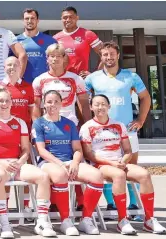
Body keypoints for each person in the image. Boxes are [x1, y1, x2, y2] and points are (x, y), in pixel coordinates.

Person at [81, 94, 165, 235]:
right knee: (119, 175)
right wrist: (112, 163)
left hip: (119, 162)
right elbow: (89, 155)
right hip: (100, 164)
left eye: (103, 104)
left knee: (144, 174)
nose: (100, 107)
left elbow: (128, 150)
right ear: (91, 107)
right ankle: (122, 220)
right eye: (96, 104)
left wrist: (123, 161)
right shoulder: (87, 127)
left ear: (109, 106)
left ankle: (149, 220)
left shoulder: (118, 125)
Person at [85, 41, 151, 218]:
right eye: (105, 54)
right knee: (106, 168)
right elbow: (82, 99)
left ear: (118, 55)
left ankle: (134, 206)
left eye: (112, 54)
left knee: (130, 168)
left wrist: (141, 120)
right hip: (102, 133)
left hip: (127, 132)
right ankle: (111, 205)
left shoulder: (131, 77)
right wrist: (86, 121)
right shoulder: (93, 78)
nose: (109, 57)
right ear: (101, 57)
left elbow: (145, 98)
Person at [0, 88, 56, 238]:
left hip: (16, 164)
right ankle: (5, 223)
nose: (4, 103)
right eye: (0, 100)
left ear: (11, 103)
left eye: (7, 100)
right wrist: (1, 162)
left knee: (43, 177)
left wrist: (20, 162)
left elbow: (26, 149)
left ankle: (42, 221)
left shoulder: (20, 122)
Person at [31, 90, 104, 236]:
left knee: (97, 176)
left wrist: (75, 163)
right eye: (49, 102)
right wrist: (60, 163)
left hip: (70, 162)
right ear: (44, 104)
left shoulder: (69, 124)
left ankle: (86, 219)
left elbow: (77, 149)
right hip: (48, 162)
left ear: (62, 103)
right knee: (60, 175)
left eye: (56, 101)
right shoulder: (38, 123)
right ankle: (65, 220)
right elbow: (41, 150)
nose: (52, 105)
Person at [0, 57, 36, 213]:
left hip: (23, 136)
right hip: (4, 136)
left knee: (23, 168)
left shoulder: (28, 87)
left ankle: (25, 207)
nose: (12, 67)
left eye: (15, 64)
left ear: (21, 66)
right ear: (4, 67)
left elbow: (33, 112)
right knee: (6, 170)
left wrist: (33, 132)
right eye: (8, 64)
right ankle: (6, 205)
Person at [32, 44, 90, 125]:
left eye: (58, 56)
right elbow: (36, 106)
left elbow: (84, 104)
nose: (55, 59)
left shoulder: (76, 79)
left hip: (70, 125)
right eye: (52, 56)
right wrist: (36, 127)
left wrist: (87, 125)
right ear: (47, 58)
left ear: (64, 58)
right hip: (48, 125)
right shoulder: (39, 80)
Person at [53, 6, 103, 78]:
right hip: (62, 80)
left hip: (81, 80)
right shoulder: (55, 38)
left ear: (77, 18)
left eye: (71, 17)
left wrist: (95, 75)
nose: (68, 20)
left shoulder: (88, 34)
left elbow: (104, 54)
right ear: (61, 19)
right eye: (65, 17)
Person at [16, 8, 57, 83]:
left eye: (32, 18)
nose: (29, 21)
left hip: (45, 83)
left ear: (38, 20)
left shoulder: (50, 41)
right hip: (23, 84)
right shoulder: (15, 41)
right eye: (27, 18)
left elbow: (58, 62)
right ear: (23, 21)